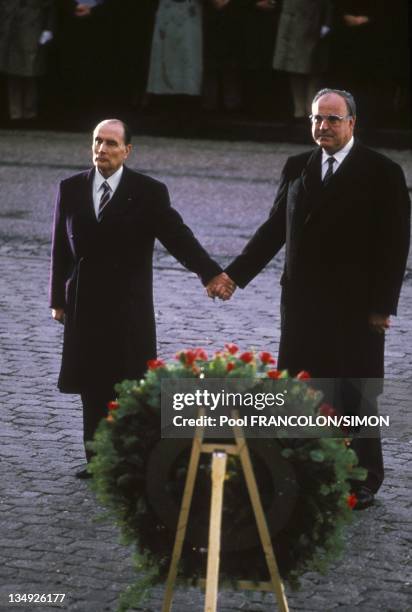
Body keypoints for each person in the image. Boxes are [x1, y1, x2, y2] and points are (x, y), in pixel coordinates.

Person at [208, 88, 411, 509]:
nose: (324, 126)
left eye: (333, 119)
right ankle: (297, 467)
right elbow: (273, 230)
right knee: (299, 387)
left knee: (355, 389)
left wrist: (381, 306)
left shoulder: (382, 172)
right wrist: (233, 276)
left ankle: (362, 477)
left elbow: (395, 246)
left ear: (352, 123)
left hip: (356, 306)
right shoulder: (298, 166)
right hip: (301, 301)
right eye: (317, 118)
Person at [49, 119, 224, 478]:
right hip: (84, 303)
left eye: (111, 143)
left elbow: (178, 236)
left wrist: (210, 273)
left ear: (127, 151)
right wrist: (58, 299)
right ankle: (97, 459)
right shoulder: (70, 188)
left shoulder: (147, 192)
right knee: (92, 383)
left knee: (130, 382)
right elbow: (59, 250)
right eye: (97, 141)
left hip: (129, 305)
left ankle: (133, 458)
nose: (102, 150)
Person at [0, 0, 54, 120]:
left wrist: (48, 29)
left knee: (30, 74)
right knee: (12, 74)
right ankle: (15, 112)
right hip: (10, 33)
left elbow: (49, 10)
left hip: (31, 32)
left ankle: (30, 113)